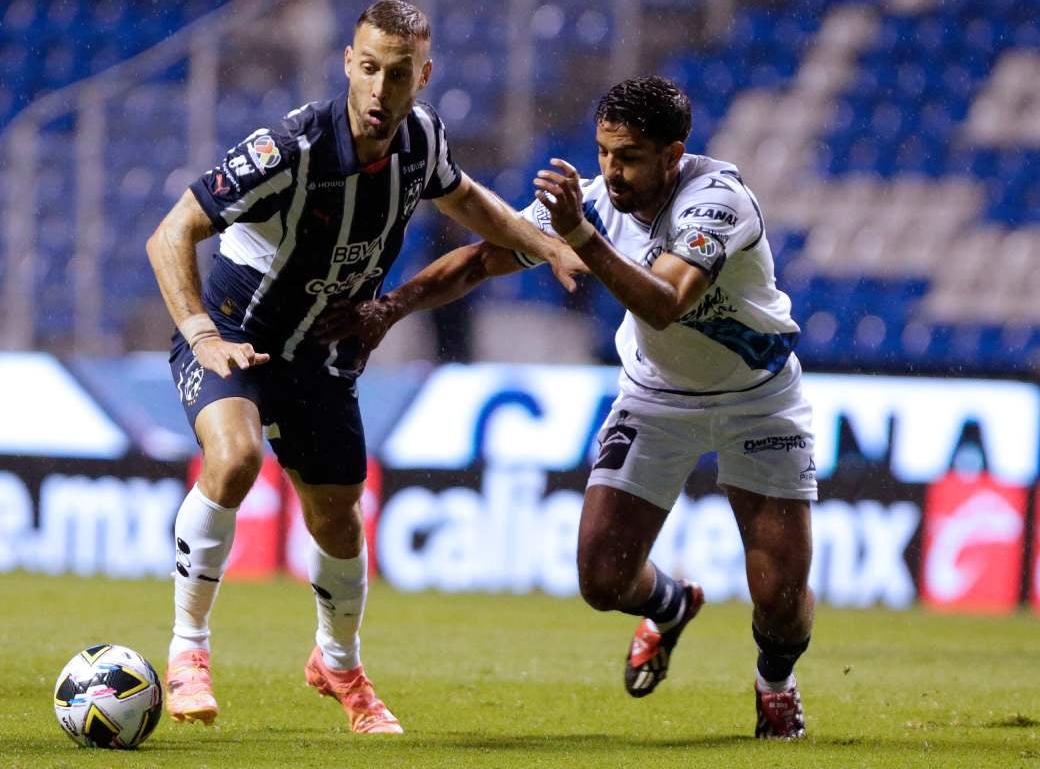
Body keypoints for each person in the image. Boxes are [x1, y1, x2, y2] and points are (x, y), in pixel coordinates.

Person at [320, 76, 817, 739]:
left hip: (758, 400)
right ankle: (671, 606)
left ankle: (775, 681)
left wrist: (580, 237)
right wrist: (390, 308)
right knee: (602, 579)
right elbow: (480, 260)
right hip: (657, 396)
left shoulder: (718, 203)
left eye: (630, 156)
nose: (612, 170)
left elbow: (665, 303)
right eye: (605, 152)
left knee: (781, 601)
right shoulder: (593, 201)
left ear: (673, 155)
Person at [145, 0, 579, 735]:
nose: (381, 89)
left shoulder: (423, 143)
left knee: (340, 519)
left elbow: (468, 200)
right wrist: (197, 331)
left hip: (320, 353)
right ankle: (189, 650)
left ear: (424, 76)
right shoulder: (289, 148)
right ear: (348, 62)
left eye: (399, 74)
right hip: (233, 336)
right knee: (237, 455)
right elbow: (171, 231)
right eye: (369, 68)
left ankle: (337, 663)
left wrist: (551, 247)